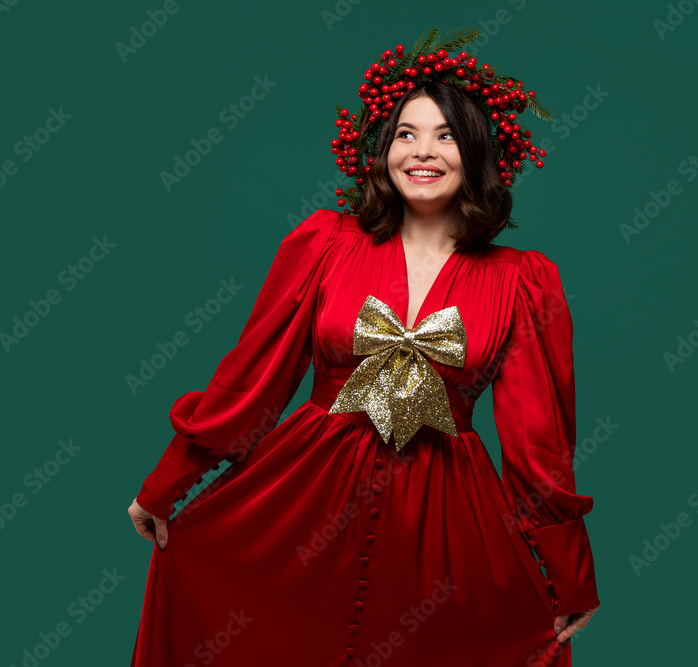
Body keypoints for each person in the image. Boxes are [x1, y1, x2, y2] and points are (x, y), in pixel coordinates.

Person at [128, 28, 601, 666]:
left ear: (478, 154)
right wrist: (167, 483)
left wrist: (569, 571)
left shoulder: (523, 279)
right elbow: (251, 381)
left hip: (445, 526)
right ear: (382, 151)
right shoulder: (326, 244)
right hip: (301, 499)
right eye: (406, 133)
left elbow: (538, 444)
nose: (422, 151)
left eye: (446, 135)